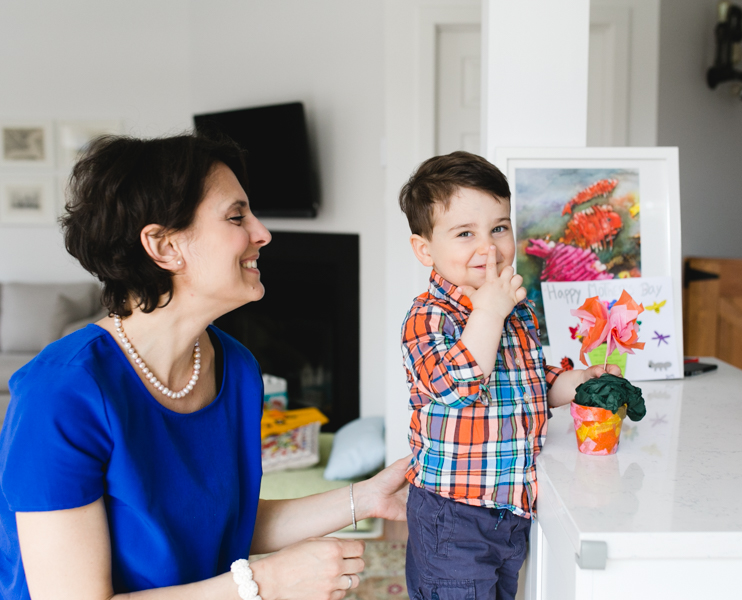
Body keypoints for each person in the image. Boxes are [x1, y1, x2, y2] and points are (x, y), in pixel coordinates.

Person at [0, 133, 409, 600]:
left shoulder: (235, 368)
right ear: (163, 246)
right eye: (237, 216)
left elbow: (221, 522)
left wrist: (367, 497)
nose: (262, 233)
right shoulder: (60, 394)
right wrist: (265, 582)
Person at [397, 151, 621, 600]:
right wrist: (490, 312)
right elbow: (459, 386)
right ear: (425, 249)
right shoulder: (428, 318)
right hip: (453, 515)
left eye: (499, 227)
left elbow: (535, 379)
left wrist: (579, 381)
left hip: (510, 509)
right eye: (465, 234)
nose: (490, 247)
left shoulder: (516, 308)